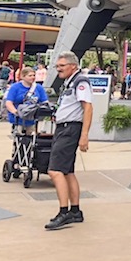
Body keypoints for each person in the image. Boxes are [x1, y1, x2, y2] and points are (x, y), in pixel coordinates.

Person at [45, 52, 93, 231]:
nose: (58, 69)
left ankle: (63, 212)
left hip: (70, 129)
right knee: (67, 172)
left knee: (55, 171)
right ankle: (75, 211)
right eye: (57, 66)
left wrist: (84, 135)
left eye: (62, 66)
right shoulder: (70, 81)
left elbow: (87, 107)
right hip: (64, 127)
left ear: (73, 65)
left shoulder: (80, 82)